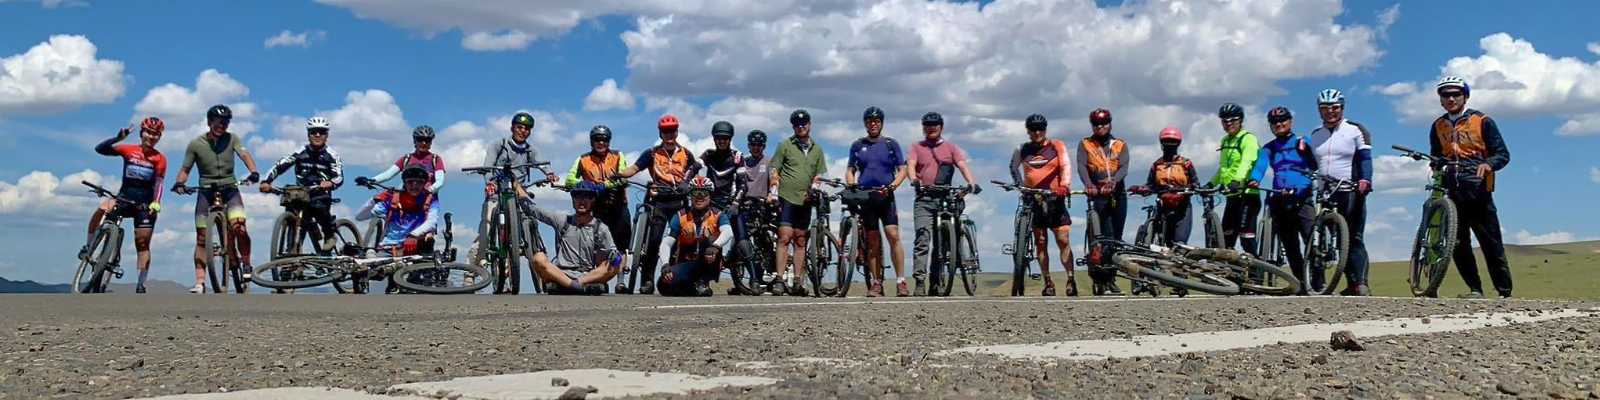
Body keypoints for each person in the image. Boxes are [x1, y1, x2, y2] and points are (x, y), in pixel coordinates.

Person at [1429, 76, 1513, 299]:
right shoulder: (1438, 125)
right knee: (1457, 243)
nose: (1451, 99)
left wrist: (1488, 164)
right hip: (1451, 191)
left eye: (1456, 94)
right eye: (1445, 95)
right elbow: (1436, 154)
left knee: (1490, 242)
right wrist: (1436, 163)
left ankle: (1504, 291)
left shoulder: (1482, 121)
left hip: (1478, 190)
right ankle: (1475, 289)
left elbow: (1502, 154)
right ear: (1440, 99)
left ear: (1465, 96)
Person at [172, 104, 261, 294]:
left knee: (239, 227)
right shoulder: (196, 144)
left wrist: (253, 172)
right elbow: (185, 169)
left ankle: (246, 263)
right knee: (202, 237)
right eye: (218, 122)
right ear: (209, 122)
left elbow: (244, 154)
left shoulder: (232, 138)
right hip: (206, 191)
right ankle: (200, 282)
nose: (222, 125)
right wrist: (179, 183)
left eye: (225, 122)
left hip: (230, 189)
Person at [617, 114, 703, 294]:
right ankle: (647, 280)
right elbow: (634, 168)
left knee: (680, 241)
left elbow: (694, 173)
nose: (669, 134)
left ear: (677, 132)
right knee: (654, 240)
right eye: (665, 131)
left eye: (672, 131)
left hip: (679, 202)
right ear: (660, 133)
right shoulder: (651, 153)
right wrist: (619, 174)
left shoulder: (686, 154)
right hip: (659, 201)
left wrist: (687, 185)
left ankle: (675, 278)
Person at [82, 117, 167, 293]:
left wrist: (156, 203)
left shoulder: (160, 159)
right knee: (102, 208)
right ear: (142, 133)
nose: (151, 136)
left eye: (156, 134)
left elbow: (159, 183)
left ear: (159, 137)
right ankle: (89, 247)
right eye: (149, 132)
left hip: (144, 205)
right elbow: (100, 149)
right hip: (123, 198)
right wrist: (118, 138)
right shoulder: (129, 150)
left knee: (142, 243)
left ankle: (141, 283)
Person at [479, 112, 559, 293]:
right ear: (512, 128)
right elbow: (488, 166)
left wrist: (549, 173)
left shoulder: (530, 150)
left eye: (527, 129)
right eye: (519, 127)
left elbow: (542, 163)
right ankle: (471, 274)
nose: (523, 131)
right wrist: (489, 182)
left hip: (519, 190)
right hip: (498, 191)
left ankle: (541, 269)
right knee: (487, 229)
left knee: (533, 220)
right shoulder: (499, 145)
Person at [1309, 89, 1375, 296]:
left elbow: (1365, 158)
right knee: (1337, 240)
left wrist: (1365, 179)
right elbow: (1313, 163)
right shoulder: (1315, 135)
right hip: (1326, 192)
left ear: (1342, 108)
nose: (1330, 111)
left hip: (1350, 189)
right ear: (1319, 110)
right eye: (1325, 108)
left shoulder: (1355, 129)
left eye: (1335, 107)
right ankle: (1345, 282)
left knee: (1354, 237)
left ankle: (1360, 283)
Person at [1248, 106, 1320, 295]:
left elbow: (1314, 165)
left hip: (1302, 196)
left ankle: (1319, 283)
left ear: (1290, 121)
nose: (1279, 124)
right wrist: (1254, 179)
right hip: (1280, 197)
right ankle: (1301, 283)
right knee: (1290, 245)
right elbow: (1261, 164)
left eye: (1283, 120)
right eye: (1274, 122)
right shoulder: (1269, 148)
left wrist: (1307, 152)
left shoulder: (1302, 142)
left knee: (1311, 241)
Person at [846, 106, 910, 297]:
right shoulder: (858, 145)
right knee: (872, 240)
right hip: (866, 197)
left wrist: (892, 186)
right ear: (865, 124)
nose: (873, 124)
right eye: (869, 121)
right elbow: (850, 170)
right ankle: (876, 282)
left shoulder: (891, 144)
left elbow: (903, 170)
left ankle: (901, 281)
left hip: (886, 195)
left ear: (881, 123)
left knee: (893, 235)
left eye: (876, 121)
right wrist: (851, 185)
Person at [1009, 113, 1073, 296]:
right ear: (1028, 131)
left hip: (1055, 198)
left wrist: (1064, 185)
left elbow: (1065, 165)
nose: (1037, 132)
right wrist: (1020, 186)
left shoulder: (1056, 145)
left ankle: (1070, 279)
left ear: (1045, 129)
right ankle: (1048, 282)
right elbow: (1013, 167)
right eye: (1033, 129)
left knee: (1063, 240)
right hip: (1033, 199)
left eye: (1040, 129)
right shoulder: (1022, 149)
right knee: (1041, 242)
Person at [260, 117, 345, 253]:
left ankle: (329, 235)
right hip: (301, 193)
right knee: (293, 216)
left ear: (327, 135)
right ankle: (292, 251)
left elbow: (339, 177)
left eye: (321, 132)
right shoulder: (300, 152)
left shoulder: (332, 155)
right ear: (308, 134)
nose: (317, 135)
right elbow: (280, 165)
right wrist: (266, 181)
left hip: (320, 193)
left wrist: (330, 183)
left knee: (318, 206)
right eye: (313, 132)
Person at [767, 109, 828, 296]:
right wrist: (773, 192)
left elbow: (819, 173)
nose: (801, 127)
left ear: (809, 125)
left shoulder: (817, 149)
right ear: (793, 127)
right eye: (797, 125)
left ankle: (797, 281)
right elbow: (774, 168)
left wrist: (815, 188)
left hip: (805, 200)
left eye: (804, 124)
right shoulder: (785, 145)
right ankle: (779, 279)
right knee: (784, 237)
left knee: (801, 240)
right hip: (786, 197)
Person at [528, 181, 621, 295]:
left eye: (587, 197)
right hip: (560, 273)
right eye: (577, 196)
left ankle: (571, 285)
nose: (582, 201)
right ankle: (576, 287)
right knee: (538, 258)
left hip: (587, 275)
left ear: (593, 200)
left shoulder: (601, 228)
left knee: (617, 263)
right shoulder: (563, 221)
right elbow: (534, 210)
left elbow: (613, 253)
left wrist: (614, 256)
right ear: (573, 200)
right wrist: (518, 189)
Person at [1075, 108, 1129, 295]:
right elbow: (1081, 166)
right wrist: (1088, 184)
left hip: (1118, 194)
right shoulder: (1085, 144)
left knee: (1116, 239)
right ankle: (1103, 280)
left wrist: (1114, 182)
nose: (1100, 127)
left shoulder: (1120, 144)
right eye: (1096, 124)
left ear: (1110, 124)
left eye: (1104, 123)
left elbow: (1123, 167)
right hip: (1098, 194)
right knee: (1105, 237)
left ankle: (1111, 278)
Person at [654, 177, 733, 296]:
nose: (699, 197)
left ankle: (704, 282)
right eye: (695, 193)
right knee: (663, 284)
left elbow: (728, 232)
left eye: (704, 193)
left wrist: (715, 246)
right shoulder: (680, 216)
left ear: (710, 196)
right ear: (690, 195)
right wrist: (665, 264)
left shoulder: (718, 215)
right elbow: (667, 242)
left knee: (709, 239)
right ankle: (693, 289)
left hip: (710, 261)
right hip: (688, 264)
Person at [563, 125, 633, 259]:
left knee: (623, 244)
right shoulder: (583, 159)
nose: (601, 143)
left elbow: (623, 176)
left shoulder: (618, 155)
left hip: (618, 204)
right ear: (592, 141)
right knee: (598, 243)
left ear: (609, 141)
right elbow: (569, 180)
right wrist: (589, 186)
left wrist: (606, 185)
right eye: (597, 139)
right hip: (596, 206)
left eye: (604, 140)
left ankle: (622, 271)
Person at [1131, 127, 1198, 245]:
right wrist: (1141, 189)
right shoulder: (1157, 165)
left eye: (1173, 142)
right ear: (1162, 144)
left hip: (1182, 204)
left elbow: (1195, 183)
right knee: (1161, 233)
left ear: (1178, 144)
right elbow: (1150, 185)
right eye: (1166, 142)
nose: (1169, 146)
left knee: (1180, 241)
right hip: (1163, 204)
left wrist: (1192, 188)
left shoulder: (1186, 163)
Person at [1210, 103, 1262, 255]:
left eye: (1233, 120)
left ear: (1241, 120)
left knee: (1246, 237)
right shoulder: (1225, 141)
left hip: (1247, 194)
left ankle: (1255, 267)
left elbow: (1247, 161)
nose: (1228, 124)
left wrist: (1237, 180)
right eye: (1225, 121)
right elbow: (1223, 168)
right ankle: (1229, 268)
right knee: (1226, 238)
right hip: (1232, 196)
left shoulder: (1248, 139)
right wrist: (1211, 183)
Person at [356, 166, 441, 257]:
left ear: (424, 184)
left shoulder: (430, 200)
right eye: (410, 182)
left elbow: (431, 222)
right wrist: (374, 200)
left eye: (419, 182)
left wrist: (413, 236)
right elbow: (360, 217)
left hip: (415, 250)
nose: (414, 185)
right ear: (404, 183)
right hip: (388, 249)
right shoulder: (392, 199)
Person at [733, 129, 775, 294]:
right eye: (753, 145)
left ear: (763, 146)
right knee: (742, 239)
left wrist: (772, 194)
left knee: (763, 240)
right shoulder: (743, 162)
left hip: (763, 204)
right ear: (749, 145)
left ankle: (765, 273)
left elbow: (774, 180)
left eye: (759, 145)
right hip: (744, 203)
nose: (756, 147)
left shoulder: (769, 162)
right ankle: (742, 277)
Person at [361, 125, 445, 193]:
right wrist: (371, 180)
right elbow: (388, 174)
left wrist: (430, 189)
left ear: (431, 142)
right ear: (415, 141)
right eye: (420, 139)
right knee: (378, 204)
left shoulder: (435, 159)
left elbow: (440, 181)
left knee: (432, 211)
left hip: (428, 200)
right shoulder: (406, 159)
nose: (424, 143)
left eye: (427, 140)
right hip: (405, 198)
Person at [701, 121, 744, 210]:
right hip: (709, 201)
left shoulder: (737, 156)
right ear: (714, 139)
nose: (722, 141)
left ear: (730, 139)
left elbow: (742, 184)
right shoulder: (708, 154)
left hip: (728, 203)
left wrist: (736, 202)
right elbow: (693, 168)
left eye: (725, 138)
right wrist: (685, 183)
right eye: (718, 138)